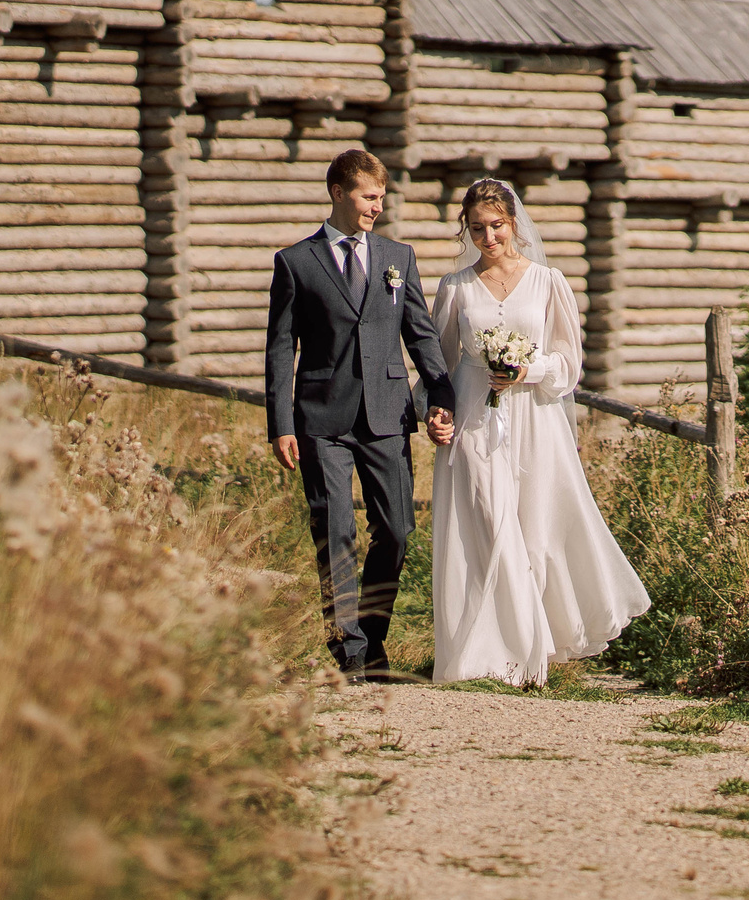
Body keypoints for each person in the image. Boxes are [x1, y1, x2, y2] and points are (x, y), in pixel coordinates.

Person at [428, 177, 650, 686]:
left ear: (515, 225)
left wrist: (526, 370)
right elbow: (438, 364)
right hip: (476, 421)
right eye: (478, 228)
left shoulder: (549, 283)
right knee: (486, 524)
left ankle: (534, 655)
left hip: (535, 420)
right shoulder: (455, 288)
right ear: (467, 230)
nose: (489, 238)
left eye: (497, 226)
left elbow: (569, 364)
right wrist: (435, 413)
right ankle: (491, 656)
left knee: (534, 532)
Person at [266, 149, 456, 680]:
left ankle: (372, 635)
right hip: (319, 419)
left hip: (387, 415)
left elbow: (420, 335)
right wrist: (280, 423)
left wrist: (442, 395)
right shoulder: (296, 262)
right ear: (338, 193)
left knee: (396, 530)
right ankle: (349, 650)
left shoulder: (399, 256)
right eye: (369, 196)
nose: (378, 206)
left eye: (381, 197)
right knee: (336, 529)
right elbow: (281, 350)